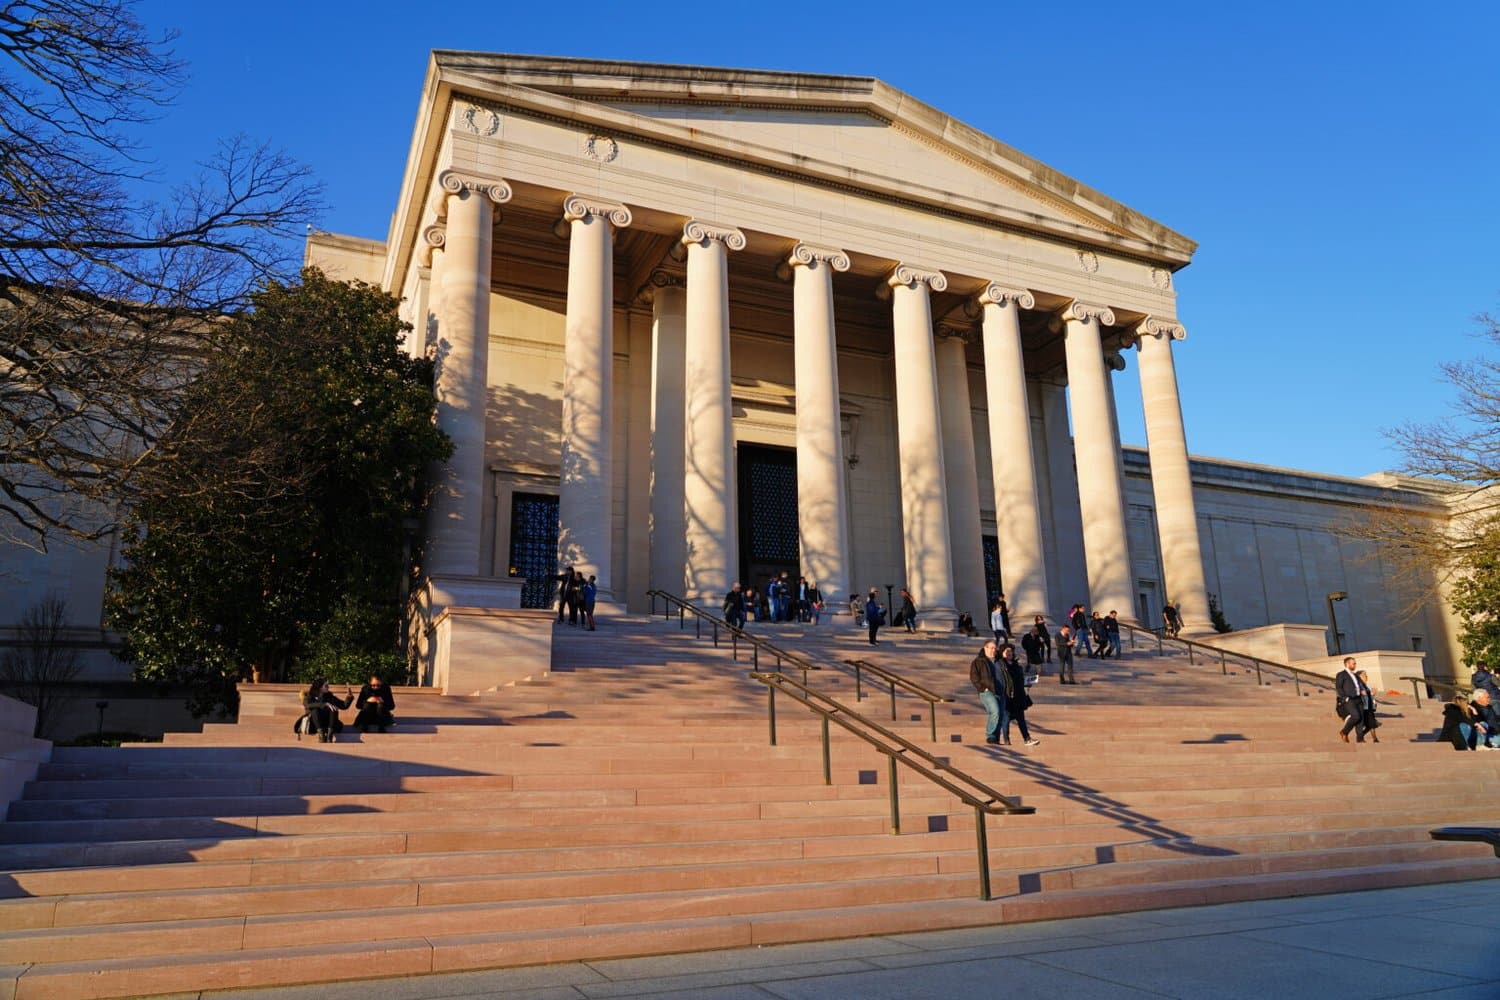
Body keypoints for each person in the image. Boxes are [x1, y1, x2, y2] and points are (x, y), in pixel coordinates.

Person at [968, 638, 1010, 745]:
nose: (993, 650)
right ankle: (990, 734)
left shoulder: (1000, 661)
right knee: (995, 711)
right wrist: (982, 688)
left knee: (1000, 715)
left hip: (1001, 692)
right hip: (987, 692)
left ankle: (995, 738)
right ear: (985, 648)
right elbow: (974, 677)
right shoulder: (979, 661)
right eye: (991, 648)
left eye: (995, 648)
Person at [1000, 643, 1039, 746]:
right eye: (1006, 651)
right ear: (1002, 653)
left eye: (1010, 651)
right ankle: (1006, 739)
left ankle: (1027, 739)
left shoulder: (1017, 666)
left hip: (1018, 696)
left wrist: (1027, 683)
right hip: (1007, 696)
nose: (1009, 653)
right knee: (1006, 719)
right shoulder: (1000, 666)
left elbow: (1020, 680)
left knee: (1021, 719)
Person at [303, 678, 352, 743]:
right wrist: (325, 704)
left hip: (328, 723)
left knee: (333, 708)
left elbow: (343, 706)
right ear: (320, 688)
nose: (328, 687)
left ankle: (330, 735)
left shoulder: (329, 696)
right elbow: (308, 705)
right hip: (314, 724)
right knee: (314, 710)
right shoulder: (310, 696)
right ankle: (321, 735)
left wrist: (349, 696)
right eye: (326, 686)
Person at [1335, 656, 1370, 743]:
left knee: (1361, 719)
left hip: (1359, 699)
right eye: (1353, 663)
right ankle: (1344, 732)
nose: (1355, 665)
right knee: (1356, 716)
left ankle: (1360, 739)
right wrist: (1345, 698)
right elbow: (1338, 687)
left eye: (1355, 663)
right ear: (1347, 664)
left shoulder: (1355, 676)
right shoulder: (1341, 674)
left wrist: (1363, 691)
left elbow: (1360, 685)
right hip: (1349, 699)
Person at [1354, 668, 1380, 743]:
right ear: (1359, 676)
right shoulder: (1358, 685)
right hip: (1363, 708)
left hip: (1368, 708)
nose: (1366, 677)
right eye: (1364, 675)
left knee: (1371, 724)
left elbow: (1368, 697)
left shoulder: (1365, 685)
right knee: (1370, 724)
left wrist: (1372, 694)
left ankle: (1373, 738)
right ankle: (1373, 739)